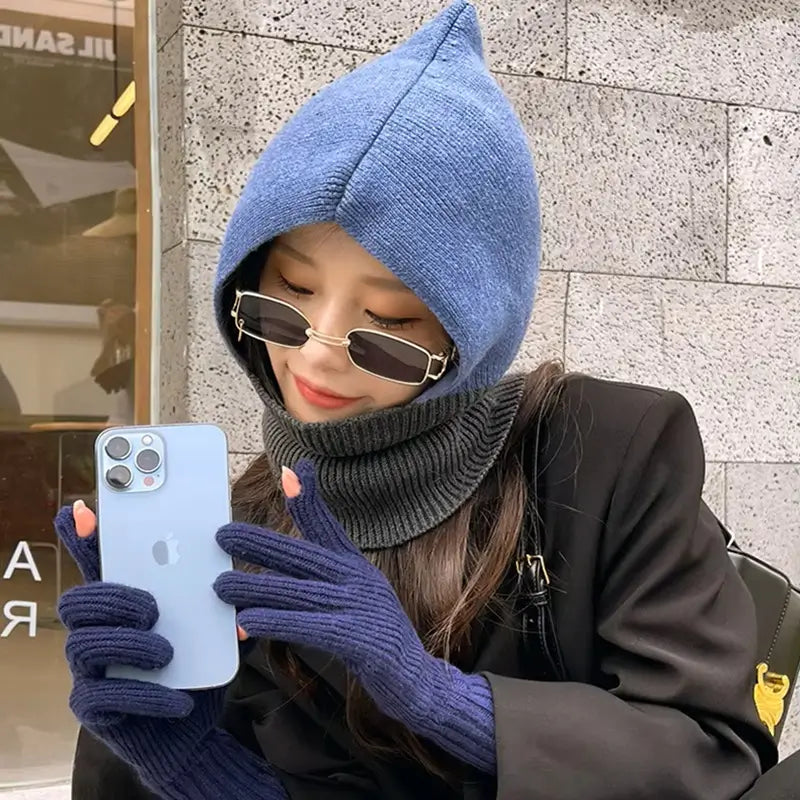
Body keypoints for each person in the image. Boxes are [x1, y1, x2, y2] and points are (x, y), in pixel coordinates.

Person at [55, 2, 782, 798]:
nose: (318, 352)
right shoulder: (246, 534)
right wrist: (190, 768)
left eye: (390, 324)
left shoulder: (608, 454)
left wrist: (444, 699)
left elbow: (708, 751)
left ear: (474, 332)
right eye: (289, 295)